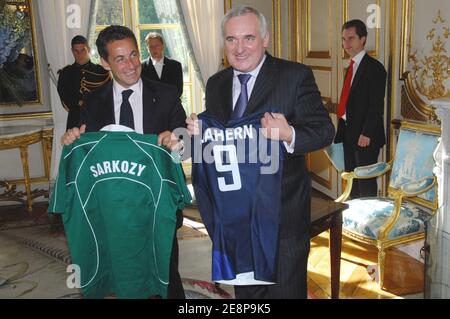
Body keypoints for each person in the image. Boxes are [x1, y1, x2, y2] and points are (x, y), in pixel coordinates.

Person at [186, 6, 335, 299]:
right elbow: (219, 143)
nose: (239, 48)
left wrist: (289, 133)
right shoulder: (216, 84)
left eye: (248, 38)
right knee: (247, 296)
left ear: (265, 39)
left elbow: (324, 130)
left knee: (285, 292)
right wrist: (197, 135)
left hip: (282, 218)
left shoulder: (294, 76)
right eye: (231, 39)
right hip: (236, 219)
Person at [60, 25, 187, 299]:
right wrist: (72, 140)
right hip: (112, 211)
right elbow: (86, 154)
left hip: (157, 209)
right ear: (105, 62)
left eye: (133, 55)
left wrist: (178, 144)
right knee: (118, 272)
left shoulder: (165, 94)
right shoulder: (93, 101)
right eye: (120, 59)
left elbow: (187, 150)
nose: (131, 65)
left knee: (167, 275)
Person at [334, 19, 387, 198]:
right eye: (343, 39)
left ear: (363, 39)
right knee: (352, 180)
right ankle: (354, 221)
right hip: (349, 133)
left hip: (365, 137)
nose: (346, 44)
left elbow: (376, 105)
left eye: (351, 38)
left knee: (366, 184)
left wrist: (367, 133)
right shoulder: (351, 66)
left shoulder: (375, 68)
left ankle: (368, 222)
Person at [57, 35, 110, 130]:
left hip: (98, 120)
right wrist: (79, 102)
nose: (79, 54)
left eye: (82, 50)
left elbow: (108, 96)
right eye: (76, 51)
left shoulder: (101, 71)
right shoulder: (66, 74)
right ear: (72, 51)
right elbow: (65, 98)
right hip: (75, 121)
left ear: (88, 50)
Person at [141, 32, 183, 97]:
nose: (154, 49)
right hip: (151, 106)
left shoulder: (176, 66)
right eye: (151, 46)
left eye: (157, 45)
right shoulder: (141, 67)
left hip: (172, 106)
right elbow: (142, 91)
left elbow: (179, 91)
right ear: (147, 49)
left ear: (163, 46)